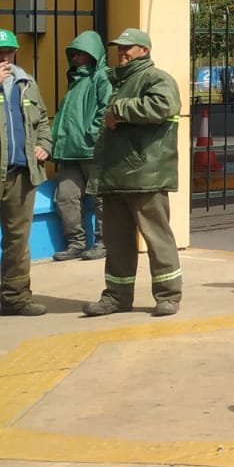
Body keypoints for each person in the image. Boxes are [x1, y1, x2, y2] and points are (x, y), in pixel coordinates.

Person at [83, 29, 182, 318]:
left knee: (157, 238)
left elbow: (164, 105)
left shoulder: (156, 78)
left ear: (145, 51)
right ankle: (116, 296)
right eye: (119, 48)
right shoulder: (119, 80)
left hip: (146, 176)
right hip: (115, 175)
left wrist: (121, 108)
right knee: (116, 241)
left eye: (129, 47)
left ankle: (168, 296)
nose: (122, 52)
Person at [0, 30, 53, 317]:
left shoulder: (26, 82)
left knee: (17, 241)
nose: (4, 58)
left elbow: (42, 118)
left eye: (8, 51)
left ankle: (15, 298)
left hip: (21, 174)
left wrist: (45, 144)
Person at [50, 31, 111, 262]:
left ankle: (103, 242)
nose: (75, 57)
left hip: (91, 151)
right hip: (69, 152)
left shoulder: (102, 77)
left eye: (81, 53)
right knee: (65, 198)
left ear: (93, 55)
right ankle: (75, 242)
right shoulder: (75, 81)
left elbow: (106, 109)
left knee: (101, 199)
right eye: (74, 53)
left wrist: (92, 135)